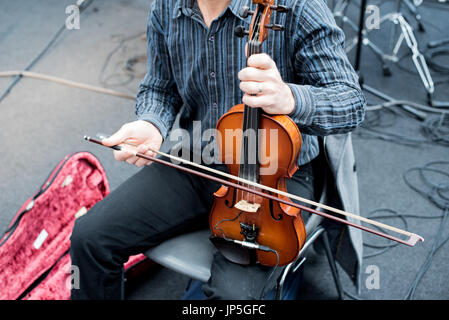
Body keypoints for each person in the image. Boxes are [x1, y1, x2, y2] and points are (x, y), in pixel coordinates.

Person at [70, 0, 366, 300]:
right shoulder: (166, 6)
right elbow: (160, 86)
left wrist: (291, 98)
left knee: (231, 296)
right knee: (90, 238)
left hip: (276, 174)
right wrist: (152, 124)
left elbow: (351, 102)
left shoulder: (298, 6)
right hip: (199, 158)